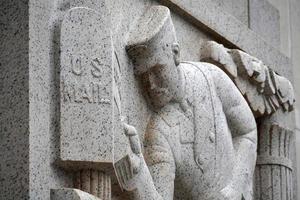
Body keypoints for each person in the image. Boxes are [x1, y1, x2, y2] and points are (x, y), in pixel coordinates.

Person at [117, 5, 257, 200]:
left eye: (157, 70)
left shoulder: (211, 78)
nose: (151, 84)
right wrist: (139, 172)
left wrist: (236, 186)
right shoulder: (159, 133)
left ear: (175, 54)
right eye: (144, 76)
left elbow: (247, 130)